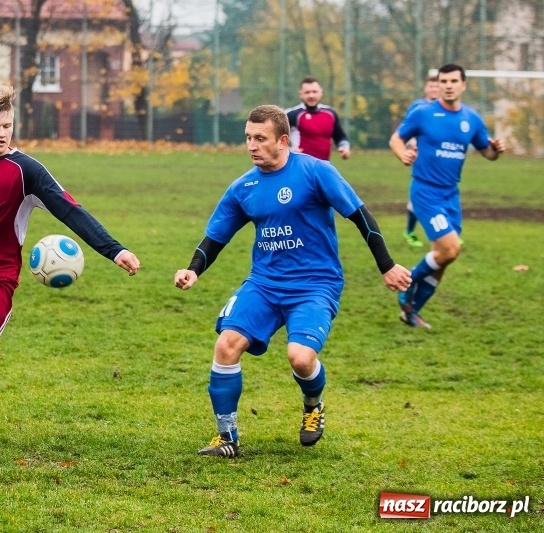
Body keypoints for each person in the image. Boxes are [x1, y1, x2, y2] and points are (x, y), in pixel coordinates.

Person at [0, 86, 141, 452]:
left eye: (8, 126)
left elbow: (70, 210)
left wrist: (114, 249)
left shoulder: (26, 171)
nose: (2, 133)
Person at [174, 105, 411, 458]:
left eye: (260, 138)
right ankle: (227, 438)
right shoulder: (243, 187)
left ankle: (313, 405)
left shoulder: (316, 172)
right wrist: (193, 269)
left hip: (316, 284)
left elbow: (361, 217)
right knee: (226, 346)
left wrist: (387, 266)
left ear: (283, 141)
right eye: (248, 138)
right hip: (264, 284)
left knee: (300, 358)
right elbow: (216, 237)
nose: (251, 146)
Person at [389, 64, 505, 330]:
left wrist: (496, 150)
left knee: (444, 257)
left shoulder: (472, 119)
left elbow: (487, 152)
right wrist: (403, 154)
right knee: (451, 248)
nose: (448, 86)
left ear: (463, 85)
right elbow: (396, 138)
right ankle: (407, 284)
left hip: (451, 195)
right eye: (444, 81)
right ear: (438, 85)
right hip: (425, 192)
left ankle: (411, 312)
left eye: (454, 81)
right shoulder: (423, 113)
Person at [401, 74, 439, 248]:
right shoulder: (418, 107)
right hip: (421, 157)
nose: (434, 89)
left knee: (442, 192)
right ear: (425, 88)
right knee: (420, 193)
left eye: (436, 86)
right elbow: (405, 130)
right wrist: (411, 146)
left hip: (439, 158)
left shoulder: (447, 109)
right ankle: (410, 231)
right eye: (431, 86)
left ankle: (449, 232)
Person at [285, 77, 351, 161]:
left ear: (321, 92)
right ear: (300, 94)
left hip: (323, 164)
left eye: (314, 92)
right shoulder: (292, 115)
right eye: (307, 92)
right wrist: (289, 150)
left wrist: (344, 147)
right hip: (299, 165)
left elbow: (341, 137)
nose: (311, 95)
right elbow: (276, 139)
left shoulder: (330, 113)